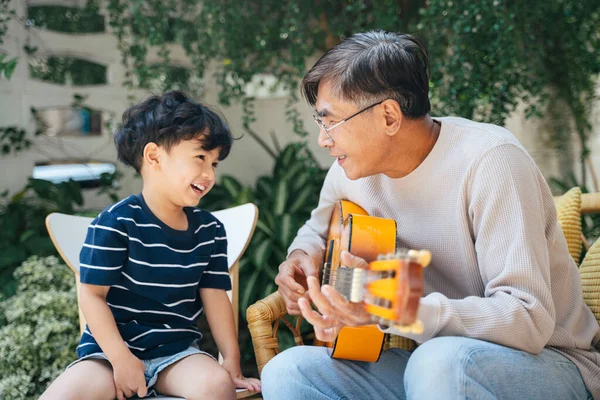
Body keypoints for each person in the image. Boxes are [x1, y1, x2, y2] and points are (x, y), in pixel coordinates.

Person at [261, 30, 600, 399]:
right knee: (289, 372)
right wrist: (300, 258)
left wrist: (392, 308)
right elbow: (316, 227)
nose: (323, 139)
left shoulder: (492, 161)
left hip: (552, 364)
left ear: (389, 116)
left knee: (438, 361)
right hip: (436, 372)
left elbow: (527, 321)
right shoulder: (350, 171)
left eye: (332, 121)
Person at [41, 90, 261, 400]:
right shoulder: (116, 223)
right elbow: (91, 295)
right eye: (200, 157)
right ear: (154, 157)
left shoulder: (210, 231)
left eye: (214, 163)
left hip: (176, 355)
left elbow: (215, 298)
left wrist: (233, 365)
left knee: (216, 385)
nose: (209, 173)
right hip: (108, 355)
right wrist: (120, 359)